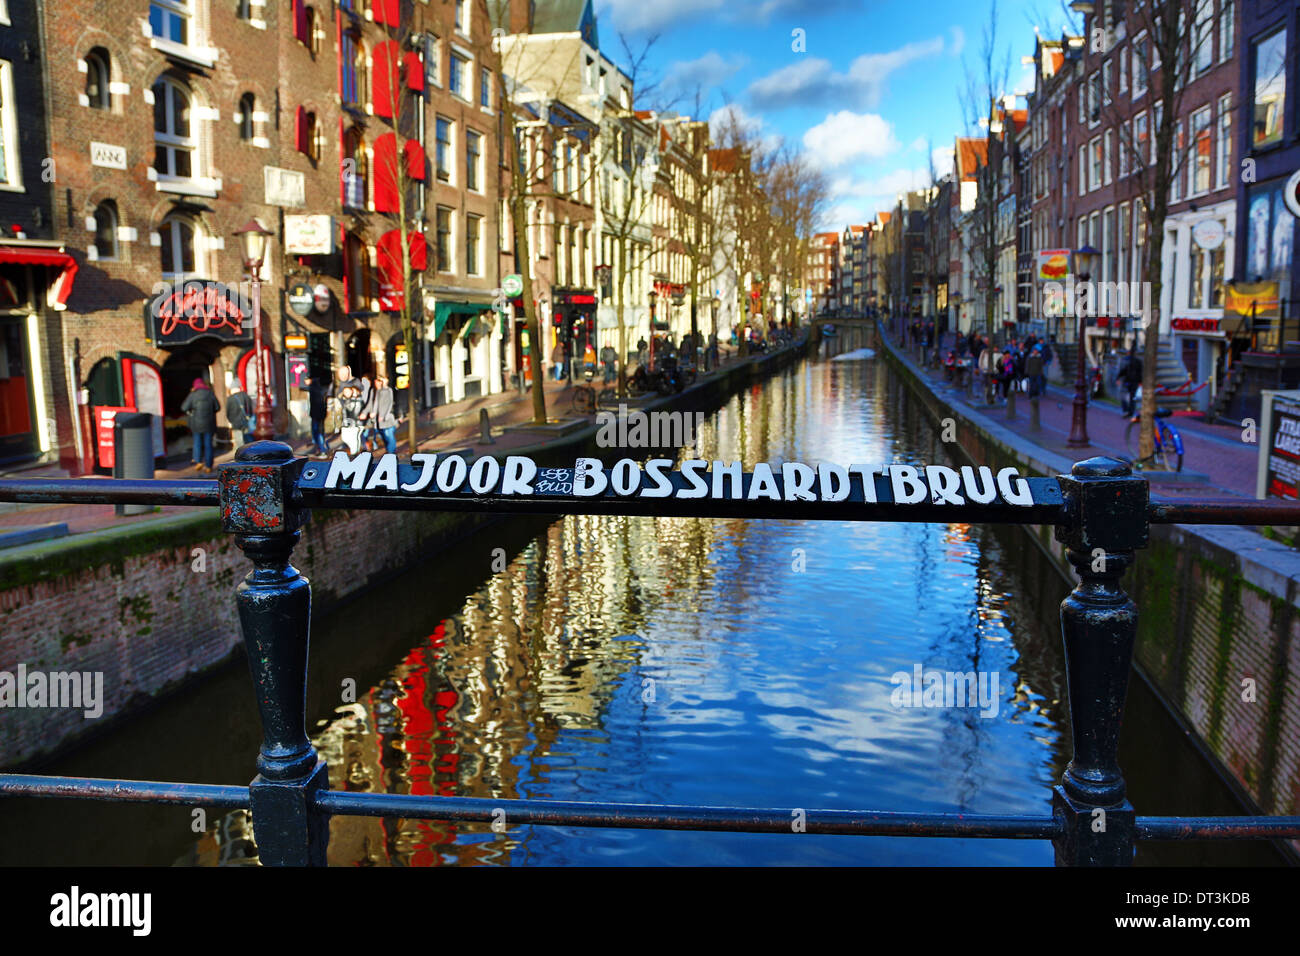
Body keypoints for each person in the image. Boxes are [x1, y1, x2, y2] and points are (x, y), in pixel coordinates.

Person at [181, 377, 219, 472]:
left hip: (196, 424)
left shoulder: (193, 394)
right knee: (208, 444)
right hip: (209, 423)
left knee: (197, 443)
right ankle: (209, 466)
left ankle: (198, 462)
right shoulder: (210, 393)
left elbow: (184, 407)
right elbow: (217, 407)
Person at [368, 376, 399, 453]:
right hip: (380, 419)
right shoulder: (378, 391)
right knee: (384, 436)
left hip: (388, 418)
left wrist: (384, 415)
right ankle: (389, 451)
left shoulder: (389, 390)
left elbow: (390, 403)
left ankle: (391, 452)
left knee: (389, 436)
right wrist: (374, 412)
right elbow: (376, 403)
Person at [304, 375, 330, 456]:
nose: (305, 382)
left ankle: (322, 449)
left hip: (316, 413)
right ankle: (322, 448)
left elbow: (316, 402)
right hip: (320, 413)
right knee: (319, 430)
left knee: (317, 431)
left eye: (306, 380)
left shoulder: (313, 388)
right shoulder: (320, 387)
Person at [337, 384, 365, 454]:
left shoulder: (356, 400)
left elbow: (354, 413)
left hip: (354, 423)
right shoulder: (346, 400)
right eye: (344, 391)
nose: (345, 393)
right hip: (348, 423)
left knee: (353, 439)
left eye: (347, 391)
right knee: (349, 438)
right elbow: (339, 397)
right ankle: (356, 451)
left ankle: (354, 453)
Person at [224, 382, 254, 447]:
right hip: (246, 422)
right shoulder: (246, 396)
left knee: (239, 443)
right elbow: (251, 409)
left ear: (232, 389)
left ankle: (241, 453)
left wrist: (231, 421)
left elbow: (227, 413)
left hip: (236, 424)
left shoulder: (230, 399)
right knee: (249, 441)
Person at [1121, 348, 1143, 416]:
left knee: (1126, 396)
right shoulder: (1137, 361)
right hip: (1133, 381)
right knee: (1131, 397)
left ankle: (1127, 411)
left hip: (1129, 381)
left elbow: (1123, 370)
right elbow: (1140, 372)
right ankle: (1130, 411)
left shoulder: (1126, 361)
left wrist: (1118, 377)